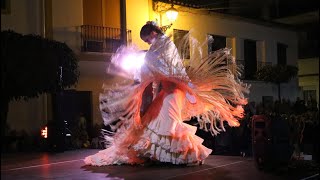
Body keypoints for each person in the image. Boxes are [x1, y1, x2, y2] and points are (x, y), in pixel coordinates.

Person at [84, 21, 249, 166]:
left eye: (147, 39)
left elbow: (158, 64)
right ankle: (165, 156)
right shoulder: (158, 46)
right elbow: (155, 64)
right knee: (157, 121)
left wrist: (144, 68)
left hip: (173, 91)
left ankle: (176, 156)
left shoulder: (165, 44)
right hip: (167, 91)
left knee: (167, 123)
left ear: (153, 33)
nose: (148, 43)